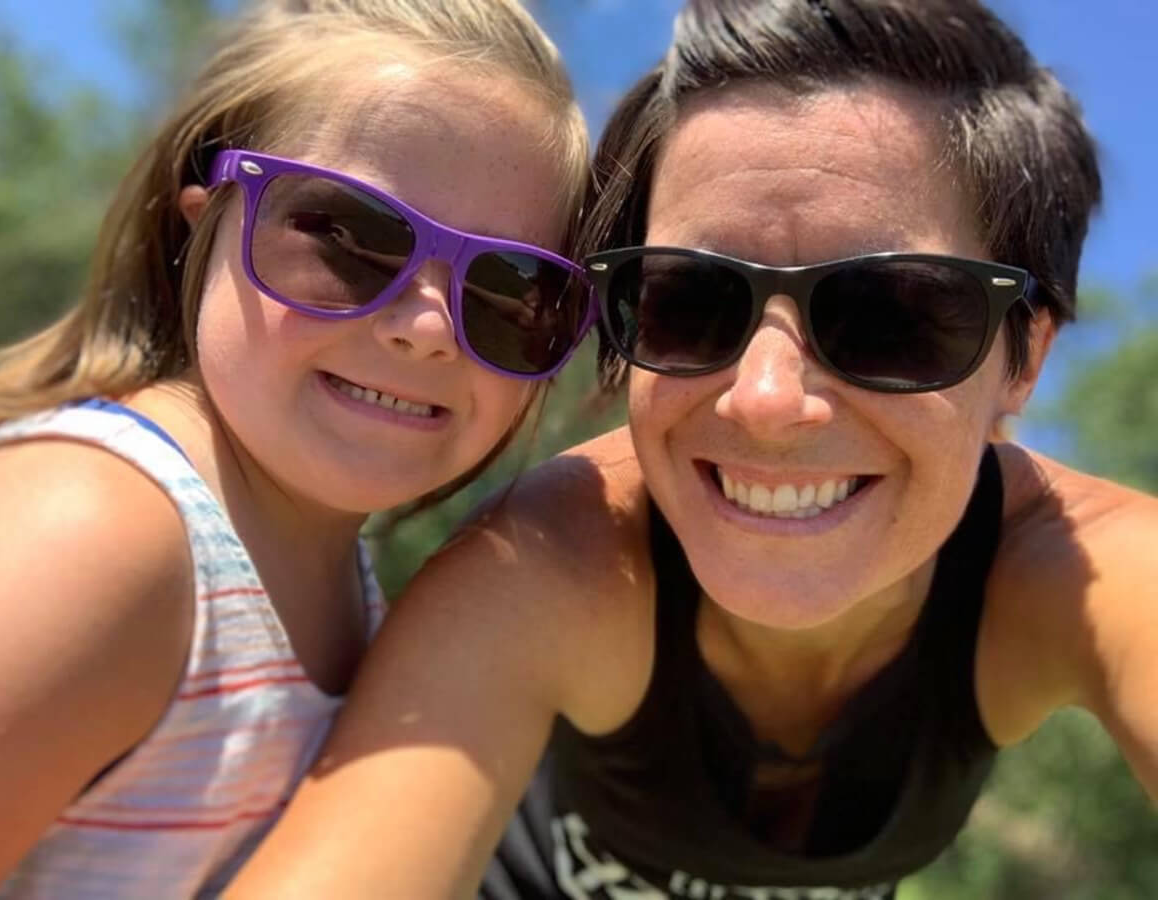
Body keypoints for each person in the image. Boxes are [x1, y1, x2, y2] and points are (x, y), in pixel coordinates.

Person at [226, 1, 1158, 898]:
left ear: (1022, 358)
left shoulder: (1080, 571)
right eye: (689, 303)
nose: (764, 400)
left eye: (890, 319)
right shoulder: (556, 565)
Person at [0, 0, 593, 895]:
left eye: (513, 292)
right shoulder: (94, 535)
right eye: (346, 237)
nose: (425, 327)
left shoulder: (335, 582)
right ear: (199, 229)